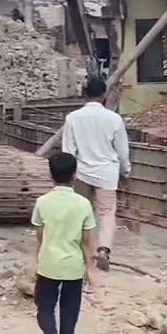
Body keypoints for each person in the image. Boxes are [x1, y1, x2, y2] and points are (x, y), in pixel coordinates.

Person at [32, 151, 96, 334]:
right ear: (74, 175)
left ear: (51, 175)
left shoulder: (42, 203)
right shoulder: (83, 204)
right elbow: (87, 243)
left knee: (44, 307)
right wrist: (91, 269)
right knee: (70, 311)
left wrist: (37, 262)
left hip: (48, 263)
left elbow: (40, 237)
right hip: (73, 266)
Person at [61, 76, 130, 272]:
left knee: (80, 212)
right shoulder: (114, 119)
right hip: (107, 174)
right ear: (104, 95)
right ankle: (103, 250)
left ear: (85, 94)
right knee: (106, 213)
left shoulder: (72, 118)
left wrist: (68, 175)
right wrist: (125, 170)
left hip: (81, 172)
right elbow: (122, 152)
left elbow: (68, 151)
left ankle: (77, 250)